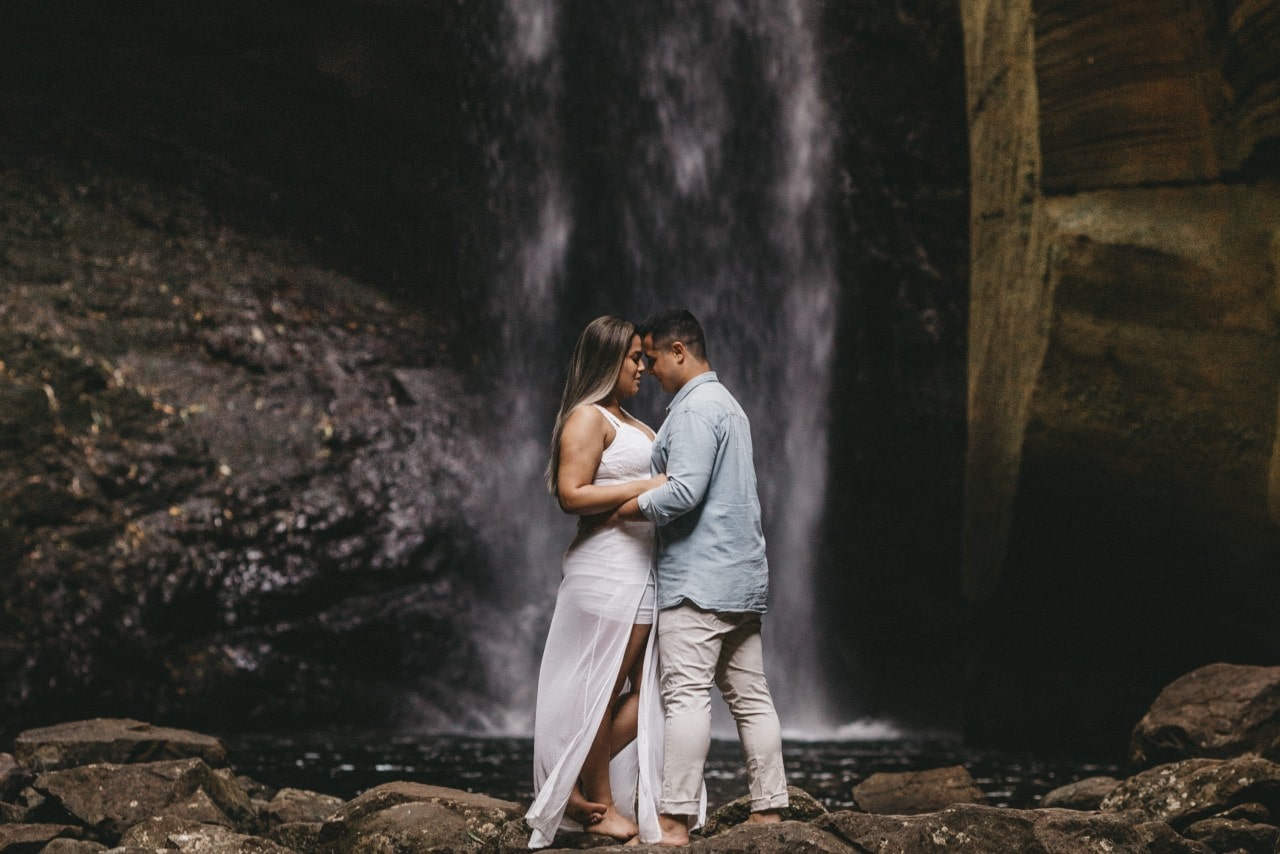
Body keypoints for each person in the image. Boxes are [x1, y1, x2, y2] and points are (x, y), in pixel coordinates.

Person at [612, 309, 789, 847]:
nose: (649, 369)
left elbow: (684, 490)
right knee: (752, 698)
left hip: (696, 583)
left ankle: (674, 822)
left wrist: (628, 505)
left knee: (685, 698)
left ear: (680, 352)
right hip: (741, 581)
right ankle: (770, 809)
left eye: (654, 357)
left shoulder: (692, 411)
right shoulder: (729, 405)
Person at [526, 316, 670, 848]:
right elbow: (570, 493)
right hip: (607, 569)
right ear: (610, 359)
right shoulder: (587, 418)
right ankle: (601, 807)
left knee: (647, 686)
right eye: (634, 357)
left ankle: (572, 785)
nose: (643, 367)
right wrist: (648, 485)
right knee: (605, 688)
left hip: (641, 567)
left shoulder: (627, 418)